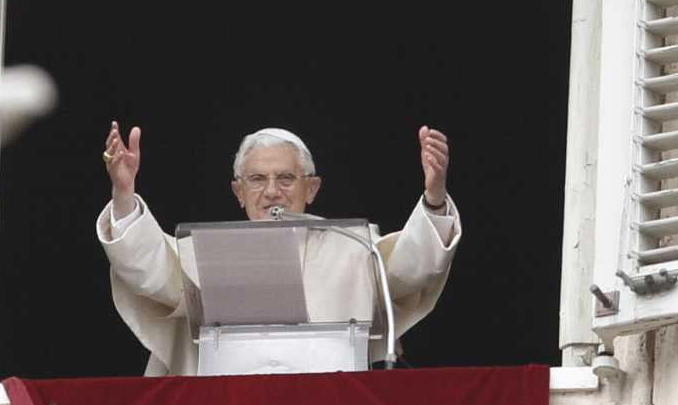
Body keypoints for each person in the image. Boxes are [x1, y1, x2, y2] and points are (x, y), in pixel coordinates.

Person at [96, 122, 461, 376]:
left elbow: (413, 268)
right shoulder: (204, 252)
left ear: (312, 189)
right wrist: (123, 196)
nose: (272, 191)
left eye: (286, 178)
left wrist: (434, 197)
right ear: (238, 193)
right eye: (257, 179)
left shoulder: (352, 244)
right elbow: (148, 271)